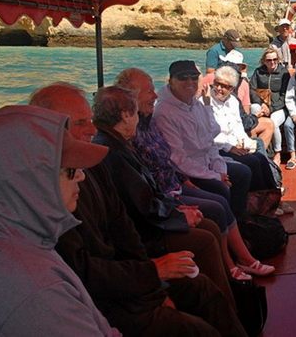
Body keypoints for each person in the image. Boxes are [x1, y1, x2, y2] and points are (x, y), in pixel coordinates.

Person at [29, 83, 247, 336]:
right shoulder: (48, 191)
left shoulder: (94, 163)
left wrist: (152, 283)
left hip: (131, 270)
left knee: (202, 288)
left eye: (90, 119)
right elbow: (83, 271)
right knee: (197, 324)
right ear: (47, 129)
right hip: (105, 297)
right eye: (80, 123)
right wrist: (152, 278)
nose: (91, 129)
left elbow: (124, 228)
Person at [115, 68, 275, 279]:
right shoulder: (148, 123)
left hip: (180, 180)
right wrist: (186, 193)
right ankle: (233, 261)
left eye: (194, 79)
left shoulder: (150, 121)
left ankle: (243, 242)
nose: (155, 95)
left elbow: (177, 156)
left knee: (250, 166)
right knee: (222, 196)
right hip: (169, 192)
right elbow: (172, 163)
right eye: (149, 91)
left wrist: (194, 177)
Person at [0, 105, 118, 336]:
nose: (81, 175)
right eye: (69, 170)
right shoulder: (38, 293)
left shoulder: (27, 239)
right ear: (30, 181)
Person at [154, 60, 252, 218]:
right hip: (187, 173)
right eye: (182, 77)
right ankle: (232, 223)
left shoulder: (195, 104)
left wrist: (219, 169)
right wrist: (215, 176)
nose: (190, 82)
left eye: (194, 77)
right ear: (170, 81)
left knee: (243, 172)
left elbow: (210, 140)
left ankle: (240, 219)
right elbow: (178, 160)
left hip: (207, 163)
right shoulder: (164, 112)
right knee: (221, 188)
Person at [210, 65, 281, 193]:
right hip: (219, 148)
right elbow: (210, 132)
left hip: (235, 144)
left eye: (224, 86)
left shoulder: (233, 101)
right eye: (217, 84)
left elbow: (238, 126)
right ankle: (259, 196)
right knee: (252, 161)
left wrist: (245, 142)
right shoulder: (206, 102)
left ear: (231, 89)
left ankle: (272, 193)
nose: (219, 88)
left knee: (260, 158)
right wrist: (230, 147)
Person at [249, 47, 290, 165]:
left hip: (279, 107)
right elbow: (252, 89)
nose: (272, 62)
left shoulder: (284, 73)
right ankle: (256, 145)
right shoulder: (258, 72)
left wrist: (271, 109)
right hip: (263, 104)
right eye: (269, 60)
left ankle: (277, 152)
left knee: (273, 122)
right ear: (264, 61)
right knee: (254, 109)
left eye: (275, 59)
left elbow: (285, 95)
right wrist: (261, 104)